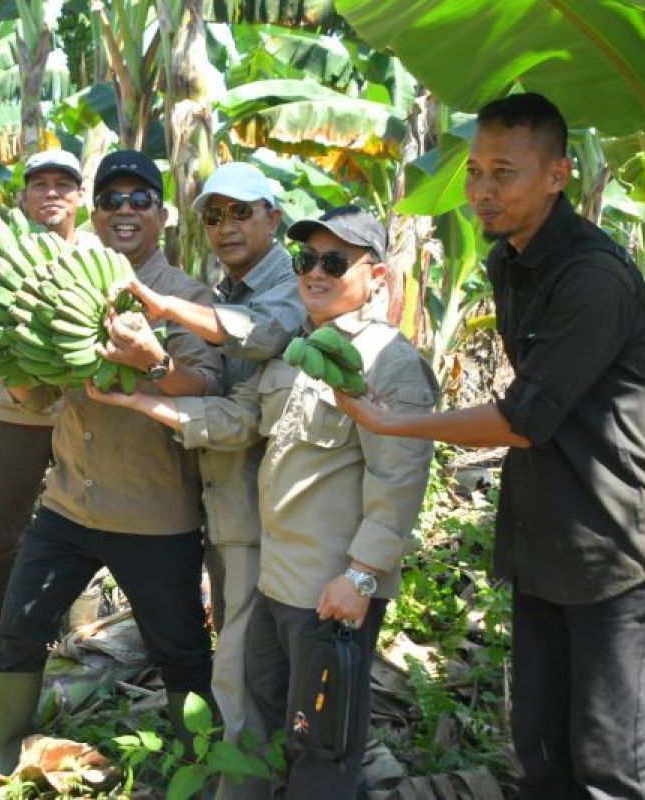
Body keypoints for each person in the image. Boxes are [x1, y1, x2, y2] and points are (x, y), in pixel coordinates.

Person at [333, 93, 645, 798]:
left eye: (504, 173)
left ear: (558, 174)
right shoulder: (510, 260)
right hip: (546, 539)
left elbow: (524, 418)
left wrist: (392, 423)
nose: (481, 191)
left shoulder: (592, 276)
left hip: (618, 545)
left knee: (615, 765)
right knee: (543, 754)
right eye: (473, 172)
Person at [89, 205, 437, 796]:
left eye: (335, 261)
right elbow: (237, 420)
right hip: (278, 583)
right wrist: (138, 401)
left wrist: (361, 577)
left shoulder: (388, 362)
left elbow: (399, 480)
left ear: (377, 276)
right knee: (270, 721)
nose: (316, 273)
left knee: (322, 745)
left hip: (330, 592)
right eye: (306, 260)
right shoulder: (295, 351)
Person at [0, 150, 225, 774]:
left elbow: (207, 385)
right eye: (111, 200)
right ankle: (8, 751)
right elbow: (37, 393)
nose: (125, 211)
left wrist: (151, 361)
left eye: (139, 199)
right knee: (18, 627)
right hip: (69, 502)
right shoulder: (60, 284)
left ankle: (195, 762)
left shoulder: (185, 297)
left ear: (163, 215)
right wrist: (4, 356)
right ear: (93, 214)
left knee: (179, 649)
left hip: (153, 513)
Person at [115, 162, 304, 798]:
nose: (226, 226)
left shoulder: (291, 286)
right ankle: (260, 772)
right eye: (214, 215)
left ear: (273, 218)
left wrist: (164, 322)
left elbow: (250, 384)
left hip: (265, 509)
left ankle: (241, 787)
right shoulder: (226, 292)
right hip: (232, 505)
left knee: (241, 665)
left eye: (241, 212)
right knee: (247, 654)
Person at [0, 150, 99, 634]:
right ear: (25, 196)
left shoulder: (98, 254)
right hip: (17, 407)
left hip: (87, 412)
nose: (51, 192)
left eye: (63, 185)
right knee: (7, 524)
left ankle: (79, 633)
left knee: (87, 521)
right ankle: (6, 628)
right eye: (40, 184)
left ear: (79, 197)